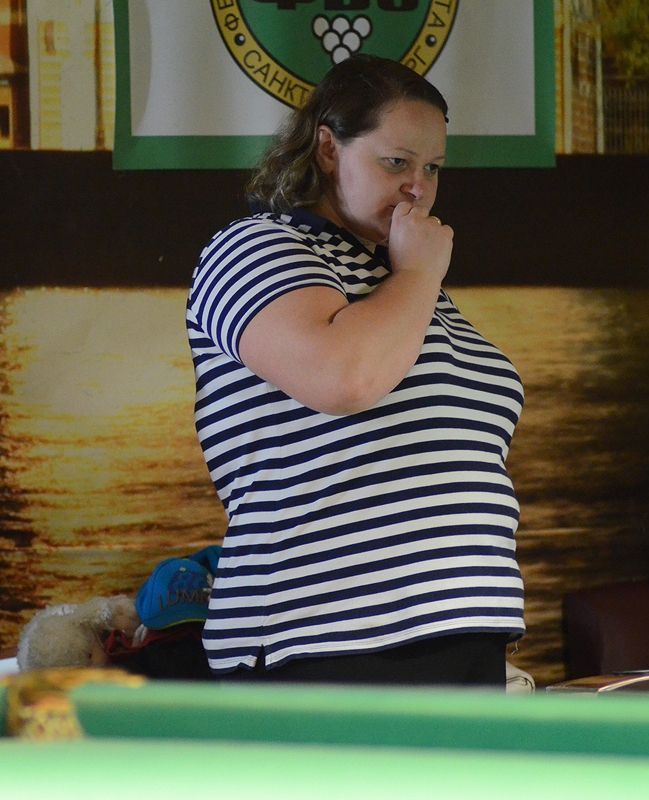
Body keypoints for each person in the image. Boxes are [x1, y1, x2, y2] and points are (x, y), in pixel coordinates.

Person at [187, 55, 525, 686]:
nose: (418, 188)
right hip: (321, 636)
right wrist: (419, 273)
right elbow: (346, 379)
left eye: (432, 168)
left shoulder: (403, 283)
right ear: (327, 149)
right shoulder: (255, 246)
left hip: (461, 629)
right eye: (396, 162)